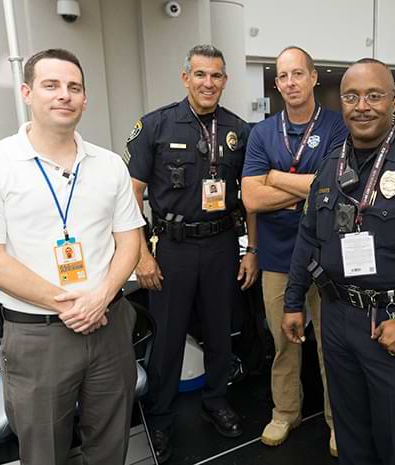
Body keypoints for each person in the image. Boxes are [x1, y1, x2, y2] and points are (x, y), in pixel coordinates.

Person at [282, 58, 395, 465]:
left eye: (373, 96)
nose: (361, 106)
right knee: (349, 434)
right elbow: (308, 237)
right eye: (351, 96)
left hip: (394, 321)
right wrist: (293, 301)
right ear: (341, 103)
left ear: (394, 102)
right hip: (337, 317)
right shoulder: (329, 167)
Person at [0, 49, 144, 465]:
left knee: (110, 442)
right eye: (51, 85)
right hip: (38, 335)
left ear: (85, 99)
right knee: (43, 451)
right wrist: (70, 304)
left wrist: (99, 298)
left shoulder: (109, 165)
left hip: (108, 326)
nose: (64, 95)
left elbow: (131, 241)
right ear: (28, 92)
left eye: (74, 87)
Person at [126, 44, 258, 462]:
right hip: (172, 248)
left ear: (225, 80)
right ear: (186, 78)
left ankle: (216, 400)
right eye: (200, 74)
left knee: (220, 329)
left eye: (216, 75)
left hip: (221, 245)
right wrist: (141, 257)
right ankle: (161, 418)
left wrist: (250, 250)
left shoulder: (239, 130)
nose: (208, 83)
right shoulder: (155, 126)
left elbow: (251, 199)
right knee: (168, 337)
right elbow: (131, 197)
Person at [241, 45, 347, 455]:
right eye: (283, 76)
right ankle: (285, 411)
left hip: (328, 257)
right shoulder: (263, 133)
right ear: (276, 84)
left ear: (314, 77)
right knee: (282, 341)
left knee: (331, 345)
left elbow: (335, 187)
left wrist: (273, 177)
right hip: (278, 256)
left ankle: (339, 420)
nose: (290, 83)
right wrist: (305, 190)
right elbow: (250, 198)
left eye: (297, 74)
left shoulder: (337, 127)